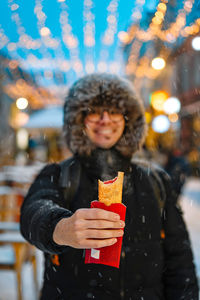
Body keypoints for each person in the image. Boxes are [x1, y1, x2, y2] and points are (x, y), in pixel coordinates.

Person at [20, 73, 199, 300]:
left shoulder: (156, 181)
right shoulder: (59, 174)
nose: (105, 119)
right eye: (94, 111)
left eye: (114, 110)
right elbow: (34, 210)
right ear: (79, 120)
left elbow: (179, 260)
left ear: (128, 119)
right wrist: (60, 228)